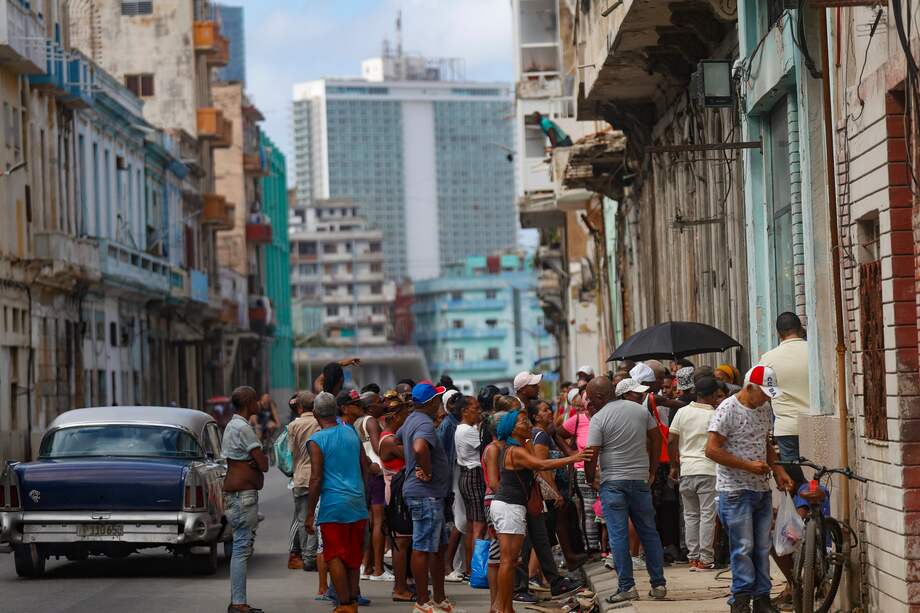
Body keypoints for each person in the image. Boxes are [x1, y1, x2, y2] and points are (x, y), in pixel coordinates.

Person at [706, 365, 794, 613]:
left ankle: (762, 599)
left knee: (763, 546)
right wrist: (747, 465)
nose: (766, 398)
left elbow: (764, 441)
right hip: (734, 490)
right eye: (763, 393)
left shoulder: (764, 408)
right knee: (743, 547)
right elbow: (711, 450)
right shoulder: (728, 410)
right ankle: (741, 600)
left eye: (769, 394)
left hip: (760, 488)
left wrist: (778, 470)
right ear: (749, 387)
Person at [490, 407, 591, 613]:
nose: (527, 424)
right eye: (522, 422)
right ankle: (504, 609)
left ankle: (502, 607)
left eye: (527, 420)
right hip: (509, 507)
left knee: (510, 560)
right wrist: (573, 458)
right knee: (508, 561)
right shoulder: (515, 451)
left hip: (511, 507)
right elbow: (541, 464)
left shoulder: (519, 446)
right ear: (511, 429)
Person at [585, 377, 668, 604]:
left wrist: (590, 478)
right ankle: (659, 584)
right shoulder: (639, 411)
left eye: (592, 399)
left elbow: (591, 453)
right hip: (640, 481)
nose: (591, 404)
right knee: (649, 532)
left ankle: (626, 587)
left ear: (601, 397)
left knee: (618, 535)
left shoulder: (599, 418)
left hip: (612, 482)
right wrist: (652, 469)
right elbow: (656, 438)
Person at [305, 392, 370, 613]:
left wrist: (309, 513)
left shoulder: (316, 440)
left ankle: (344, 604)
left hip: (333, 506)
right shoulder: (351, 432)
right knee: (352, 556)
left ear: (315, 414)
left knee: (334, 556)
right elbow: (365, 466)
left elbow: (315, 479)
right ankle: (352, 599)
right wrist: (365, 496)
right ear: (336, 411)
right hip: (357, 504)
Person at [398, 382, 456, 613]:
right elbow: (420, 448)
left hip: (430, 495)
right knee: (423, 547)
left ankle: (439, 599)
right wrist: (426, 469)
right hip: (425, 495)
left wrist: (412, 464)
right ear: (431, 402)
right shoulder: (423, 423)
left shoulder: (411, 419)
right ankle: (423, 603)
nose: (439, 403)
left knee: (438, 547)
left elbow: (394, 442)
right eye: (437, 399)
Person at [667, 376, 726, 572]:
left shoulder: (682, 412)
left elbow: (671, 439)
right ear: (711, 395)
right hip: (708, 470)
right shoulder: (715, 414)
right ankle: (706, 558)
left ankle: (693, 558)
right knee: (708, 515)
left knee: (690, 515)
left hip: (686, 469)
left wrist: (674, 464)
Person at [222, 386, 269, 613]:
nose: (259, 403)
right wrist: (256, 463)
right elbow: (263, 464)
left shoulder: (231, 426)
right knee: (241, 548)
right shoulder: (244, 428)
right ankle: (239, 603)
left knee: (239, 547)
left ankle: (238, 601)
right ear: (249, 402)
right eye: (256, 400)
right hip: (243, 497)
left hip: (234, 497)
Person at [759, 313, 809, 474]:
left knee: (795, 481)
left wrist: (774, 393)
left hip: (786, 429)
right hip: (816, 425)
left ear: (778, 334)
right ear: (801, 329)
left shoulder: (768, 359)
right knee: (819, 476)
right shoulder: (816, 352)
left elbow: (754, 387)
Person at [378, 392, 415, 603]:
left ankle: (404, 583)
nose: (406, 418)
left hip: (397, 492)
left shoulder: (391, 437)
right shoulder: (390, 440)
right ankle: (399, 588)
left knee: (404, 541)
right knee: (401, 542)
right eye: (403, 414)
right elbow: (414, 455)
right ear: (395, 417)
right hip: (395, 494)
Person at [454, 395, 486, 578]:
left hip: (467, 475)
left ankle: (469, 568)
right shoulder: (468, 430)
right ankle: (477, 570)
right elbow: (484, 449)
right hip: (474, 475)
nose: (478, 412)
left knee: (472, 524)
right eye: (475, 408)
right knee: (478, 527)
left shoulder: (461, 429)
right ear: (465, 411)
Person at [288, 391, 319, 571]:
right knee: (316, 515)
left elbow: (292, 451)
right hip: (317, 475)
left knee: (302, 518)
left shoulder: (293, 425)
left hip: (300, 477)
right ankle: (311, 557)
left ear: (300, 407)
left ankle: (306, 558)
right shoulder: (319, 423)